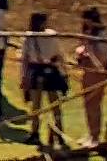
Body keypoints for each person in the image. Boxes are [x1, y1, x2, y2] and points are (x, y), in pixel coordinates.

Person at [21, 12, 66, 147]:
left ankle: (39, 133)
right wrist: (63, 72)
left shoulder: (30, 36)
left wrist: (24, 76)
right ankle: (57, 133)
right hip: (48, 70)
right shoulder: (49, 35)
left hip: (37, 70)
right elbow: (59, 55)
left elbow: (25, 59)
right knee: (51, 104)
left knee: (39, 105)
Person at [76, 7, 107, 149]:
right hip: (87, 72)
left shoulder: (102, 34)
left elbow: (102, 59)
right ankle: (91, 134)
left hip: (98, 74)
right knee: (87, 104)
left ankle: (95, 137)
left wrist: (88, 49)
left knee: (94, 105)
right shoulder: (88, 33)